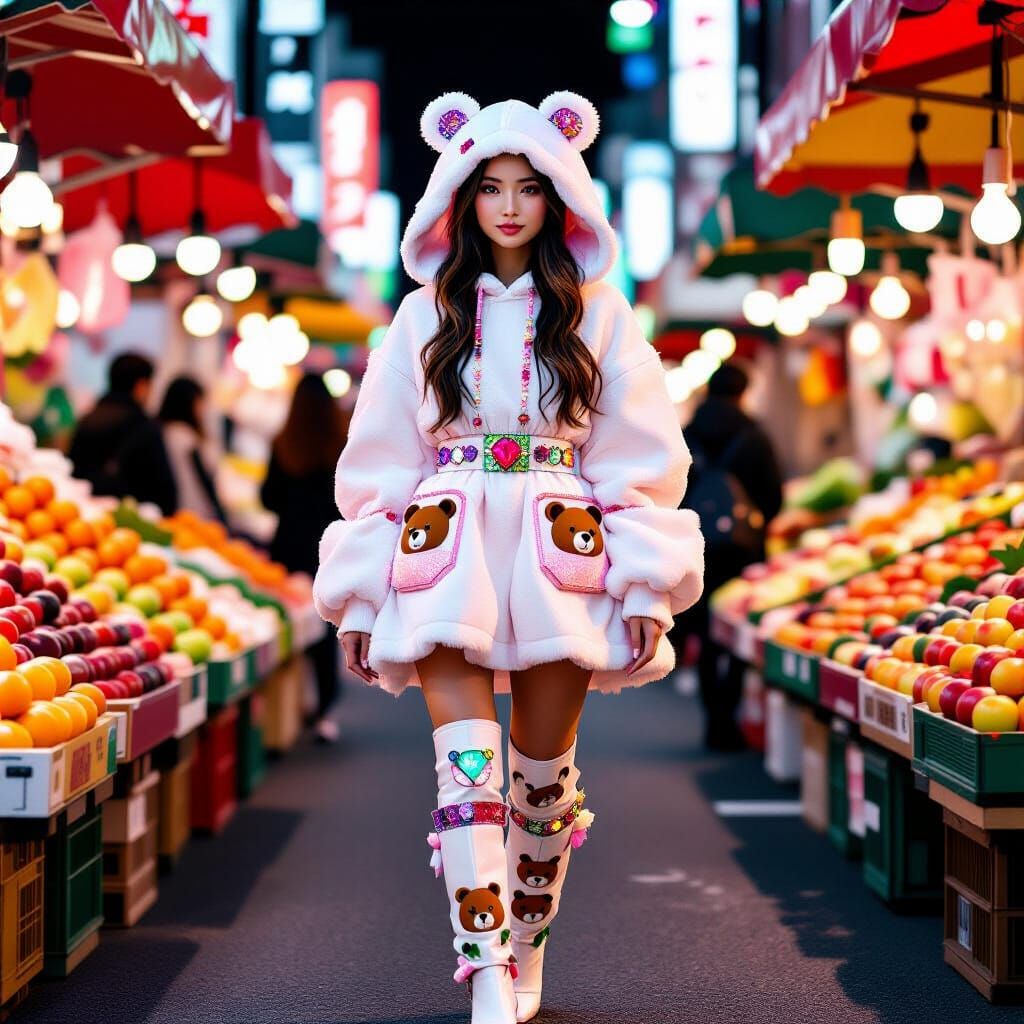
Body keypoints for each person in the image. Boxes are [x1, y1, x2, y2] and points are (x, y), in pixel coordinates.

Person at [312, 93, 705, 1024]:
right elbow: (379, 464)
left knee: (541, 780)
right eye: (489, 187)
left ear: (561, 196)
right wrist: (361, 599)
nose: (510, 206)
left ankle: (527, 951)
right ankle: (485, 967)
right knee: (466, 773)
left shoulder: (602, 316)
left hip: (559, 556)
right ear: (459, 197)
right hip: (444, 551)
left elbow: (640, 460)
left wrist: (644, 583)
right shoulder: (421, 316)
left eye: (530, 187)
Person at [676, 361, 783, 751]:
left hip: (697, 547)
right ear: (742, 392)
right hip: (743, 553)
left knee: (705, 633)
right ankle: (730, 714)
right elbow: (773, 498)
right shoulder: (754, 437)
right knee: (737, 630)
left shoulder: (686, 435)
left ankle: (713, 719)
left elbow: (672, 491)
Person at [263, 373, 348, 743]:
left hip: (289, 544)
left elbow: (268, 497)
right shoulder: (341, 445)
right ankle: (324, 709)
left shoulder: (283, 443)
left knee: (290, 621)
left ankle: (287, 706)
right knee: (326, 627)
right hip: (328, 545)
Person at [69, 352, 177, 515]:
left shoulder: (87, 419)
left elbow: (72, 471)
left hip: (82, 516)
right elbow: (165, 492)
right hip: (131, 520)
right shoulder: (144, 426)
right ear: (141, 386)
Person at [157, 376, 228, 524]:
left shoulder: (162, 431)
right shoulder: (186, 437)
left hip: (170, 508)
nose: (202, 408)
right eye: (200, 402)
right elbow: (205, 480)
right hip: (192, 510)